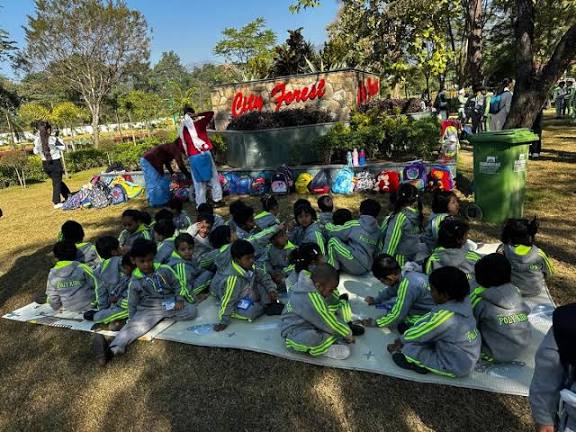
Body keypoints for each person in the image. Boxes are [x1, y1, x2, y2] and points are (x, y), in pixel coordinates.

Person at [91, 239, 197, 365]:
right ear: (133, 260)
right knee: (134, 328)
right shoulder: (134, 282)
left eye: (150, 260)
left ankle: (162, 317)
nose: (147, 265)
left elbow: (178, 284)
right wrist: (132, 320)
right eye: (142, 261)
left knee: (191, 311)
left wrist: (179, 299)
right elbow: (132, 303)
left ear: (154, 257)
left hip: (170, 303)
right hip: (149, 309)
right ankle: (112, 350)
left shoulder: (165, 269)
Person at [388, 266, 480, 377]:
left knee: (409, 348)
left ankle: (414, 363)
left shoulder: (445, 317)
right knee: (418, 334)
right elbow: (430, 320)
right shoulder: (464, 300)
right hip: (465, 352)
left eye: (432, 290)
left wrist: (401, 340)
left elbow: (422, 332)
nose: (430, 293)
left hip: (455, 365)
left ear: (444, 295)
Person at [281, 263, 355, 360]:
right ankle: (326, 348)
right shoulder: (311, 297)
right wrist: (347, 333)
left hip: (308, 322)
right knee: (312, 338)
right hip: (294, 331)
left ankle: (330, 337)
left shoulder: (309, 282)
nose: (332, 292)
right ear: (318, 286)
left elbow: (327, 309)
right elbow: (327, 320)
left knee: (329, 320)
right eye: (331, 290)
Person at [471, 253, 530, 363]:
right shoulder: (516, 292)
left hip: (493, 352)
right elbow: (527, 311)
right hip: (523, 344)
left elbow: (469, 323)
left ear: (479, 279)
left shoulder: (479, 300)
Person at [212, 240, 282, 332]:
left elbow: (264, 277)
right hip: (236, 299)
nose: (252, 260)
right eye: (248, 258)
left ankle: (264, 304)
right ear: (237, 260)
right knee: (252, 312)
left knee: (265, 288)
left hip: (248, 289)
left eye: (253, 257)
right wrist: (223, 321)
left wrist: (271, 290)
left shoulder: (251, 265)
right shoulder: (233, 279)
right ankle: (262, 306)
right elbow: (228, 300)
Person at [529, 303, 576, 432]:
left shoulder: (568, 321)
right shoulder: (568, 323)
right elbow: (548, 369)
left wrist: (544, 417)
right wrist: (544, 417)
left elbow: (547, 370)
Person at [364, 254, 434, 331]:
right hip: (426, 305)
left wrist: (376, 322)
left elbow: (398, 314)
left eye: (383, 281)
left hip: (429, 313)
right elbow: (390, 291)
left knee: (402, 324)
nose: (383, 283)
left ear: (390, 277)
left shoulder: (407, 284)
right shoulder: (404, 273)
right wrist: (376, 300)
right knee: (395, 303)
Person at [178, 107, 223, 208]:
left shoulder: (182, 131)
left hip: (192, 158)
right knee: (213, 178)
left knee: (198, 183)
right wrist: (198, 114)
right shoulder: (199, 124)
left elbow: (181, 147)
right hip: (204, 154)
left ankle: (201, 204)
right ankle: (216, 200)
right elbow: (210, 113)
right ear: (192, 115)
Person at [325, 199, 381, 275]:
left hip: (355, 264)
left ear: (360, 212)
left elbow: (334, 231)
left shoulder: (354, 224)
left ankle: (332, 272)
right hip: (368, 266)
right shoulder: (378, 230)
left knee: (333, 241)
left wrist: (327, 224)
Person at [500, 218, 554, 297]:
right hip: (535, 290)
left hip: (512, 290)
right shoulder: (539, 254)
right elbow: (550, 272)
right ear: (530, 236)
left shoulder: (505, 249)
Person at [379, 183, 425, 265]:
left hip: (399, 260)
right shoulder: (416, 214)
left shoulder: (400, 217)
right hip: (412, 257)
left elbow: (391, 242)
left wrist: (384, 262)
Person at [46, 240, 97, 313]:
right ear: (75, 253)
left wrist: (57, 308)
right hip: (90, 306)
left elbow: (52, 297)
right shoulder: (82, 267)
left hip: (68, 310)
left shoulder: (52, 273)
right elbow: (97, 283)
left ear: (56, 257)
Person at [424, 217, 481, 282]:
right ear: (459, 240)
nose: (467, 237)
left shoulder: (432, 259)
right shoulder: (472, 259)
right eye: (466, 235)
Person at [140, 140, 190, 207]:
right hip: (150, 161)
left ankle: (158, 201)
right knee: (155, 183)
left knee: (158, 182)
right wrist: (188, 175)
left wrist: (172, 172)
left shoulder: (169, 147)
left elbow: (166, 162)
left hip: (148, 161)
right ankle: (157, 203)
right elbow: (180, 164)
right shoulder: (175, 148)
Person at [33, 121, 70, 208]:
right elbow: (63, 147)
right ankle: (56, 202)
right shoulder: (53, 139)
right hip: (55, 162)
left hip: (45, 164)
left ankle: (68, 195)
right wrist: (59, 141)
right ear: (48, 129)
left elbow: (35, 151)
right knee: (56, 182)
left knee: (57, 181)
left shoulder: (37, 140)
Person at [168, 233, 213, 301]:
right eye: (183, 250)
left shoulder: (188, 258)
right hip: (189, 290)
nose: (187, 252)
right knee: (211, 273)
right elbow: (183, 288)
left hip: (192, 281)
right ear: (177, 250)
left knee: (208, 267)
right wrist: (193, 299)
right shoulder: (180, 265)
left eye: (190, 248)